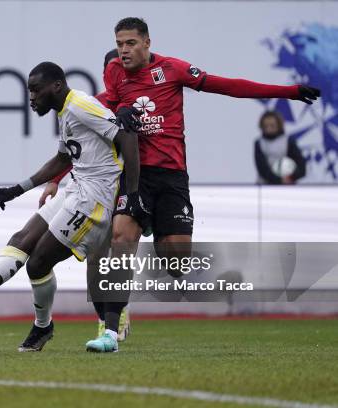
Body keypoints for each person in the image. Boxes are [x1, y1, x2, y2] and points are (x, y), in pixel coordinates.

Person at [50, 17, 321, 353]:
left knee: (176, 263)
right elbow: (86, 134)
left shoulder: (173, 70)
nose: (123, 51)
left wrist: (289, 92)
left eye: (130, 43)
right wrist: (57, 178)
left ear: (147, 42)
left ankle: (155, 232)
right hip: (135, 177)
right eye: (119, 44)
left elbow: (228, 86)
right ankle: (110, 329)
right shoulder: (115, 74)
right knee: (121, 238)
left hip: (172, 178)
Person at [0, 61, 141, 352]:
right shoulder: (66, 111)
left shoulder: (81, 105)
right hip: (75, 187)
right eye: (29, 91)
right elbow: (63, 159)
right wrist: (18, 188)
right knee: (20, 240)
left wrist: (131, 196)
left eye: (36, 90)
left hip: (94, 200)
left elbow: (126, 136)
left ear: (56, 86)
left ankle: (43, 327)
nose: (31, 98)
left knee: (38, 262)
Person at [39, 49, 132, 343]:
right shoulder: (95, 104)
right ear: (105, 71)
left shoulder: (143, 99)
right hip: (100, 190)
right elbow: (74, 149)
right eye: (111, 67)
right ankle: (107, 322)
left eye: (120, 67)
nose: (116, 72)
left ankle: (116, 317)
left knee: (122, 248)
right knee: (96, 259)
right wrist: (54, 181)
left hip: (132, 184)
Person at [254, 110, 306, 184]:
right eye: (266, 126)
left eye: (272, 126)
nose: (268, 129)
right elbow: (262, 168)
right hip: (264, 186)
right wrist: (278, 180)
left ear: (279, 125)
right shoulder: (259, 143)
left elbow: (301, 167)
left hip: (286, 186)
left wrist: (291, 177)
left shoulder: (288, 141)